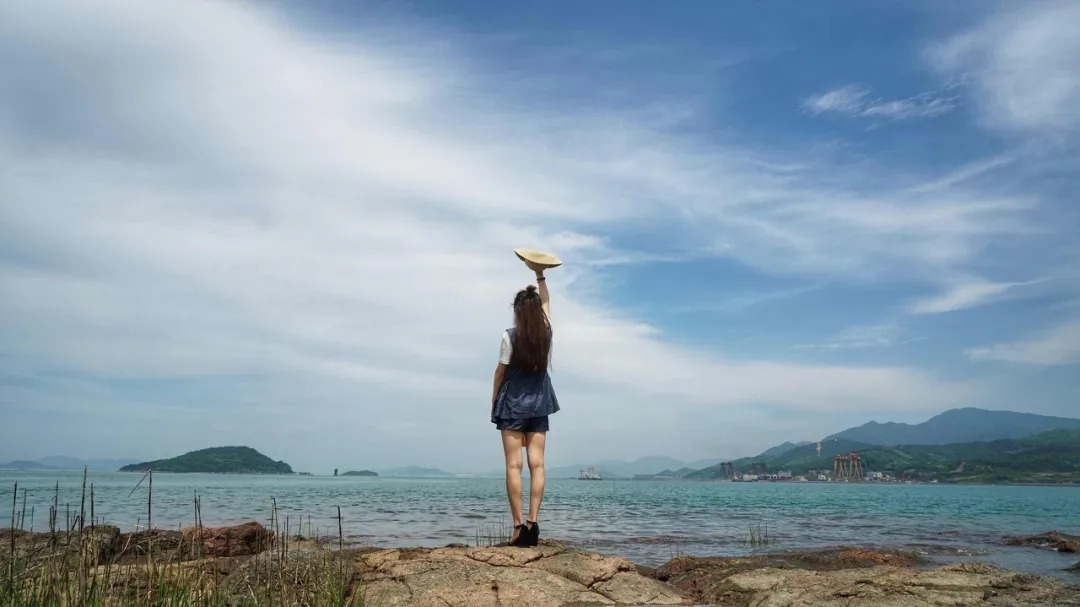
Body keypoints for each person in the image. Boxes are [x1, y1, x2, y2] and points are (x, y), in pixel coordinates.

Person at [491, 266, 559, 547]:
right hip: (540, 402)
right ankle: (533, 522)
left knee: (513, 466)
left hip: (512, 405)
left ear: (518, 312)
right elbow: (547, 303)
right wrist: (540, 275)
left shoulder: (510, 336)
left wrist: (494, 401)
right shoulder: (547, 332)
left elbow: (500, 373)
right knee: (538, 465)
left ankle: (518, 527)